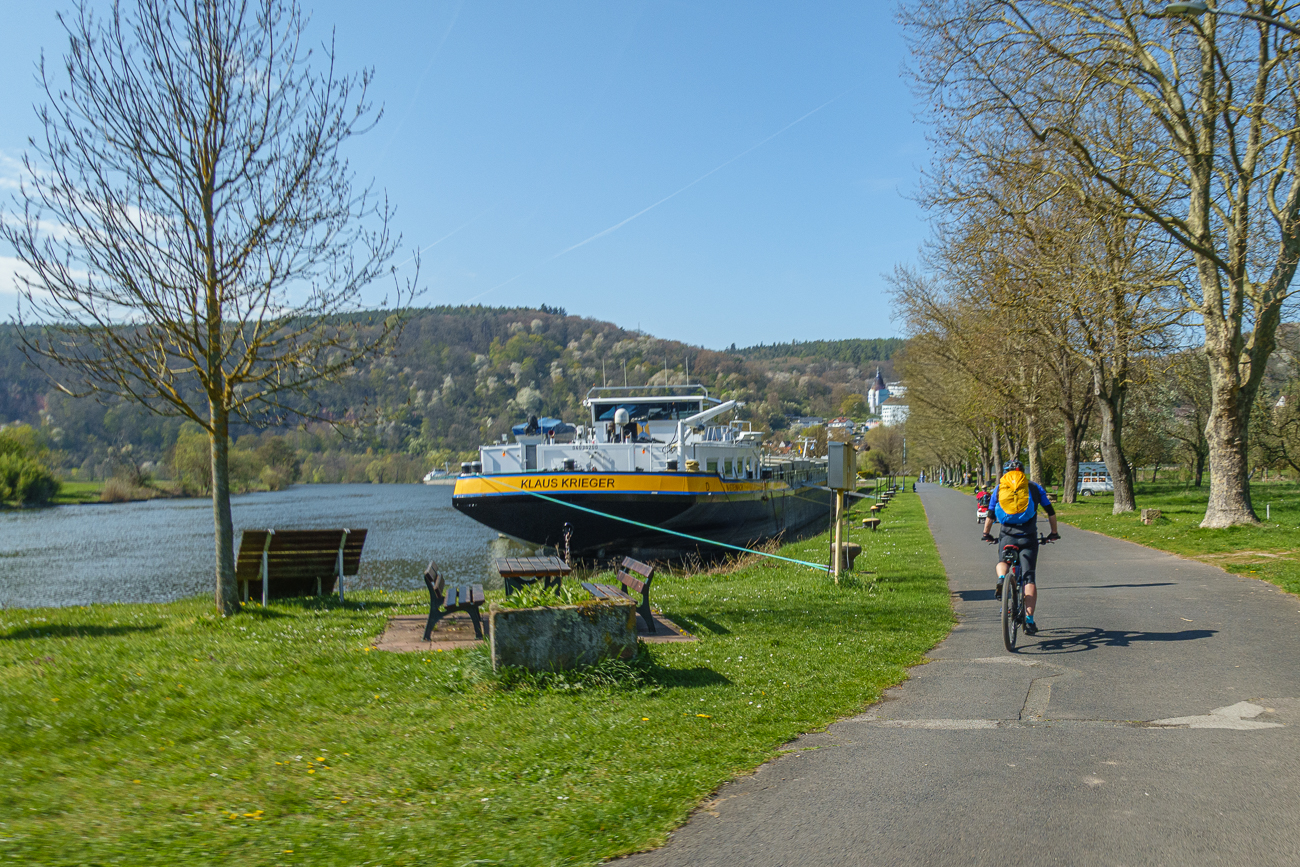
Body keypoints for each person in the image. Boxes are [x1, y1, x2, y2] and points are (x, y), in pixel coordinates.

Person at [981, 460, 1060, 635]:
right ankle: (1029, 620)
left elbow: (991, 513)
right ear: (1023, 472)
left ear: (1006, 472)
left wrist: (986, 534)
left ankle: (1002, 578)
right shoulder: (1034, 487)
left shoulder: (1000, 488)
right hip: (1028, 537)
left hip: (1007, 536)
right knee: (1029, 578)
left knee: (1003, 561)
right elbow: (1050, 511)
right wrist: (1053, 532)